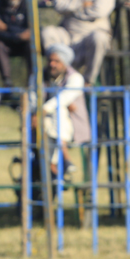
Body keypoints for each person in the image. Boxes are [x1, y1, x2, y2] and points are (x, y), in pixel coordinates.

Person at [38, 44, 90, 178]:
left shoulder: (75, 77)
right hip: (46, 125)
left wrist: (44, 109)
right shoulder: (41, 76)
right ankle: (62, 162)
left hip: (72, 126)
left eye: (56, 61)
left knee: (58, 110)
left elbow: (64, 98)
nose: (52, 64)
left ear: (65, 63)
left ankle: (54, 166)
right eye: (50, 60)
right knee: (48, 124)